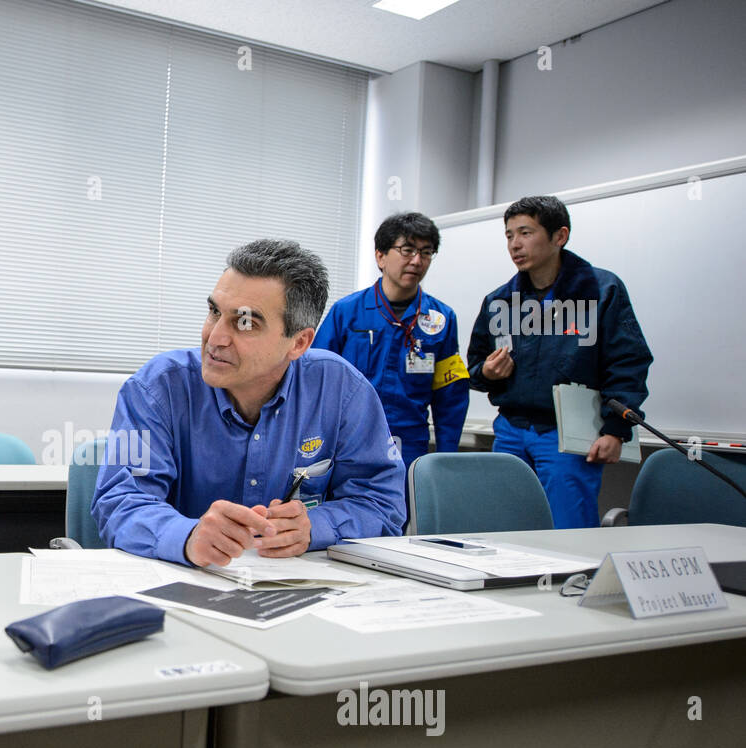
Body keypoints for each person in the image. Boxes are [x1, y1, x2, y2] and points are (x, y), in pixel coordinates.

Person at [92, 239, 405, 567]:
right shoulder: (156, 389)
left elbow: (382, 502)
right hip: (183, 583)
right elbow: (120, 501)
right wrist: (187, 536)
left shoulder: (342, 390)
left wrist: (317, 526)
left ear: (299, 342)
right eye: (214, 311)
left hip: (296, 589)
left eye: (244, 323)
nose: (214, 339)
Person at [466, 195, 653, 529]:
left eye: (525, 233)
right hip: (510, 429)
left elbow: (628, 362)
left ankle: (576, 581)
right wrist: (487, 373)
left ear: (559, 236)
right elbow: (476, 367)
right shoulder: (500, 300)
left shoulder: (601, 289)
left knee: (569, 531)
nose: (515, 244)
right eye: (509, 235)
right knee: (503, 528)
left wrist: (616, 429)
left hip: (567, 432)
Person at [312, 212, 468, 471]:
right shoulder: (347, 312)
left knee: (407, 510)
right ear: (380, 256)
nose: (417, 261)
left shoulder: (440, 319)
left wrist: (447, 456)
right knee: (351, 507)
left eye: (426, 252)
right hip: (348, 438)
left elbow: (450, 394)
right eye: (407, 250)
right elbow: (316, 379)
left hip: (409, 443)